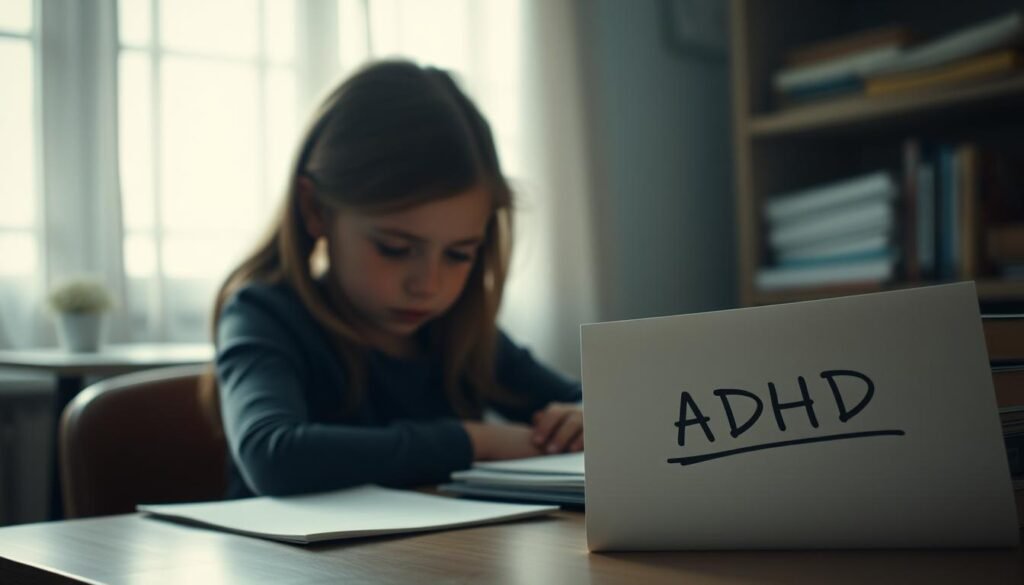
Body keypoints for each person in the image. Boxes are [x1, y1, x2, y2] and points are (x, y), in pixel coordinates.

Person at [203, 60, 584, 499]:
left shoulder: (458, 330)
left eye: (459, 254)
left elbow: (589, 402)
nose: (428, 285)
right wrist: (477, 441)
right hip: (280, 547)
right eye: (395, 249)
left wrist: (582, 418)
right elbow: (274, 456)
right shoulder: (263, 314)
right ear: (315, 210)